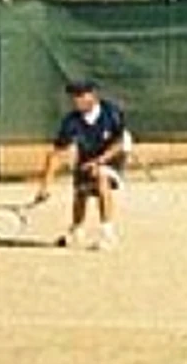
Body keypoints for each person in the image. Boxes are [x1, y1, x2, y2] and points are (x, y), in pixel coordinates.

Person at [37, 80, 128, 250]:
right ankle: (76, 230)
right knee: (81, 191)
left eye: (80, 95)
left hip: (113, 160)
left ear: (93, 95)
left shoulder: (111, 113)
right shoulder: (71, 121)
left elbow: (120, 144)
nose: (76, 100)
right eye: (74, 96)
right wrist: (45, 186)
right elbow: (56, 154)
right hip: (86, 160)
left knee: (101, 176)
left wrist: (100, 161)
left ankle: (108, 234)